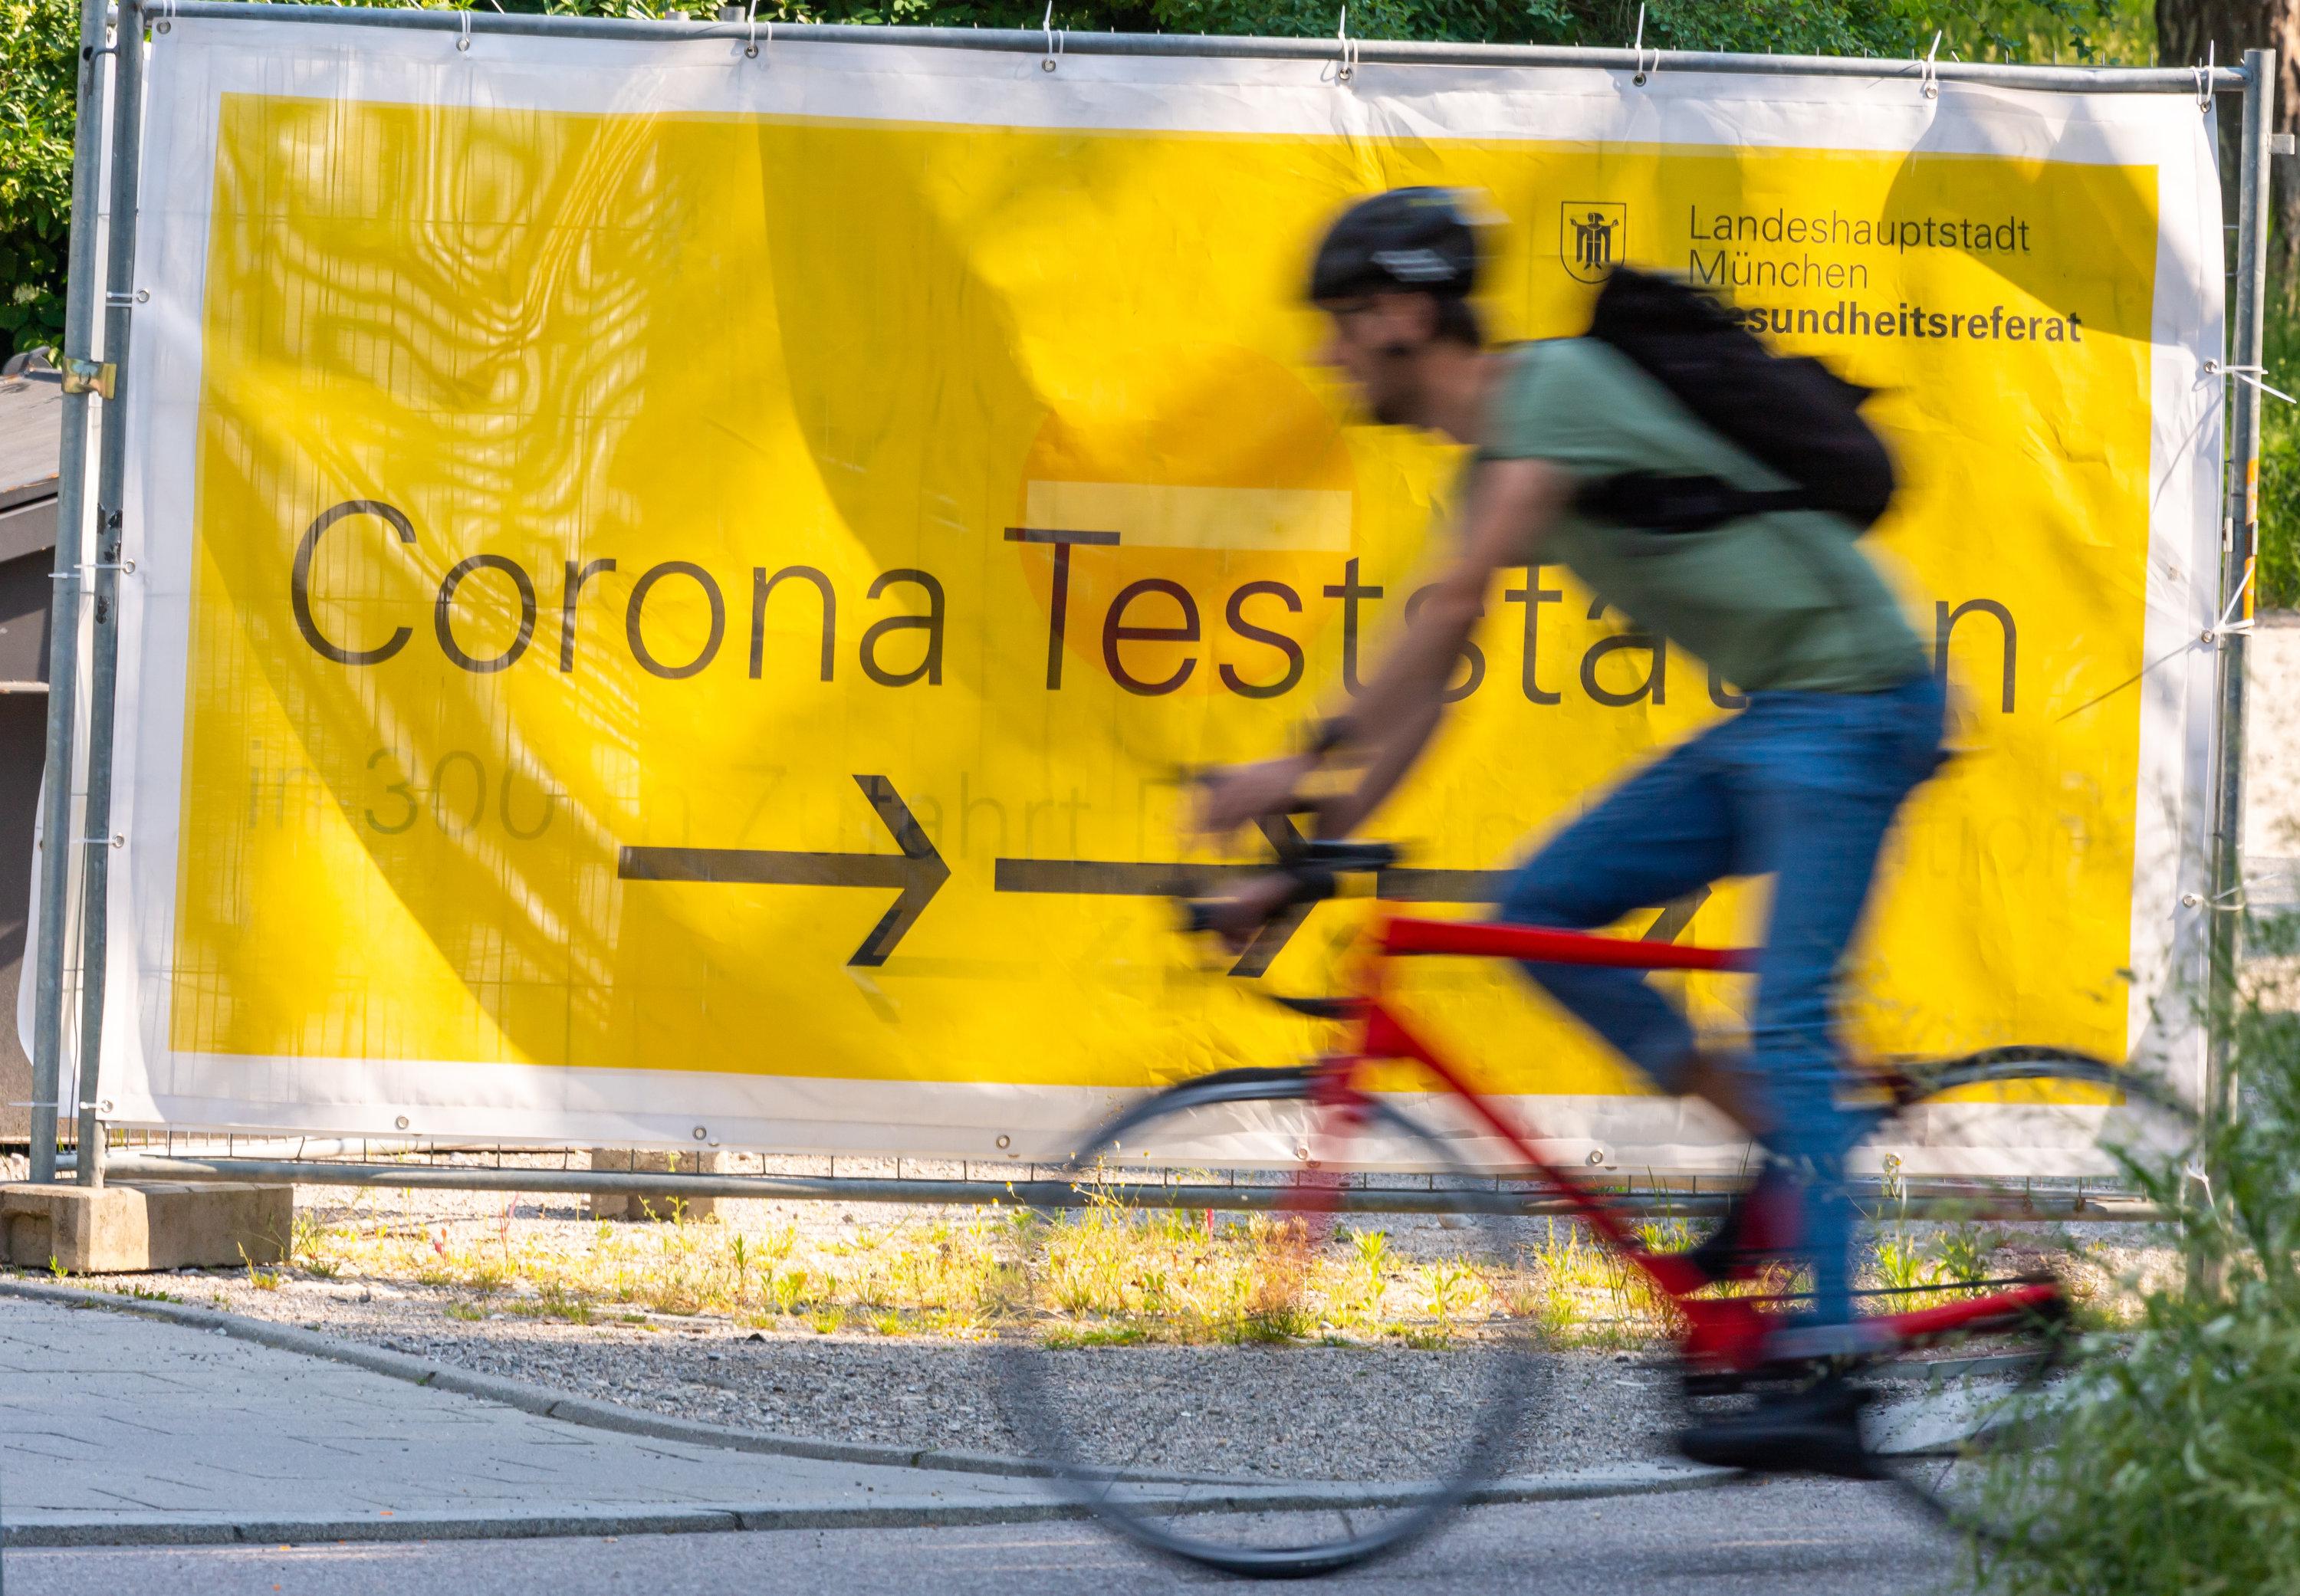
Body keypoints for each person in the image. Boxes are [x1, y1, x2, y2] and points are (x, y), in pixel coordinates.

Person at [1196, 186, 1946, 1476]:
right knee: (1538, 918)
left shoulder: (1551, 395)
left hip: (1860, 702)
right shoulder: (1496, 462)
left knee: (1788, 1018)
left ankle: (1834, 1368)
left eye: (1343, 319)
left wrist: (1298, 761)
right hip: (1784, 714)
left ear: (1408, 314)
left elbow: (1448, 610)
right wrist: (1309, 855)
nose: (1327, 350)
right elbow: (1436, 679)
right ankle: (1780, 1149)